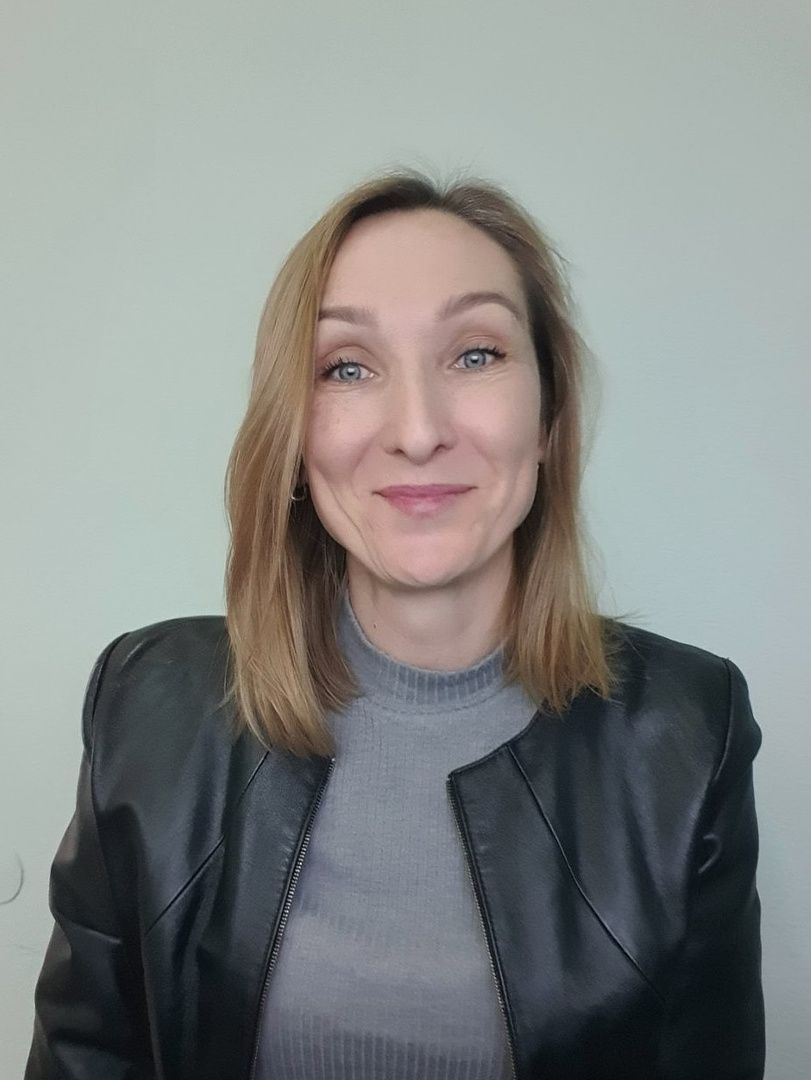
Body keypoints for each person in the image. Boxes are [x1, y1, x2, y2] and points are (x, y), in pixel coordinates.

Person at [25, 168, 765, 1080]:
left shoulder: (691, 731)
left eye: (475, 354)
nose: (417, 431)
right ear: (296, 436)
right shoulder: (145, 706)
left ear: (548, 416)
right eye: (346, 367)